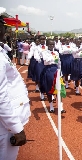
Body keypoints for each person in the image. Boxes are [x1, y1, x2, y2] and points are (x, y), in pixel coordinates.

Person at [0, 13, 31, 160]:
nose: (5, 31)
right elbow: (1, 96)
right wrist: (16, 128)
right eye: (3, 26)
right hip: (5, 125)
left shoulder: (3, 50)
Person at [40, 39, 65, 113]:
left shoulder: (56, 52)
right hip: (48, 70)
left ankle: (60, 107)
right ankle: (51, 105)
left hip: (56, 70)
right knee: (49, 88)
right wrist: (53, 58)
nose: (51, 46)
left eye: (53, 44)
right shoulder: (44, 52)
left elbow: (59, 62)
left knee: (59, 88)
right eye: (50, 44)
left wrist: (61, 72)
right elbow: (46, 60)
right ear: (47, 45)